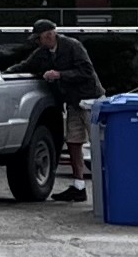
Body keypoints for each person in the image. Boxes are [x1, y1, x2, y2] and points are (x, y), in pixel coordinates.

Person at [20, 20, 101, 198]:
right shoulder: (43, 52)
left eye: (39, 38)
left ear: (49, 35)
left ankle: (108, 183)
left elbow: (86, 71)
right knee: (73, 142)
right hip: (72, 103)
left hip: (89, 100)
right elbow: (26, 65)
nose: (37, 43)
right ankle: (79, 186)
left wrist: (60, 75)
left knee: (99, 142)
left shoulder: (72, 46)